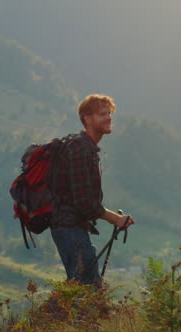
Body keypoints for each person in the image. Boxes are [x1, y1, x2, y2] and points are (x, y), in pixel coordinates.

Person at [50, 94, 135, 286]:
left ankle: (51, 315)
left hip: (70, 227)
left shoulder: (85, 148)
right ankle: (45, 316)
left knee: (82, 287)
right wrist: (117, 219)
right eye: (102, 114)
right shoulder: (80, 149)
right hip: (69, 228)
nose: (108, 118)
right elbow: (85, 203)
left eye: (109, 113)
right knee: (87, 288)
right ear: (87, 118)